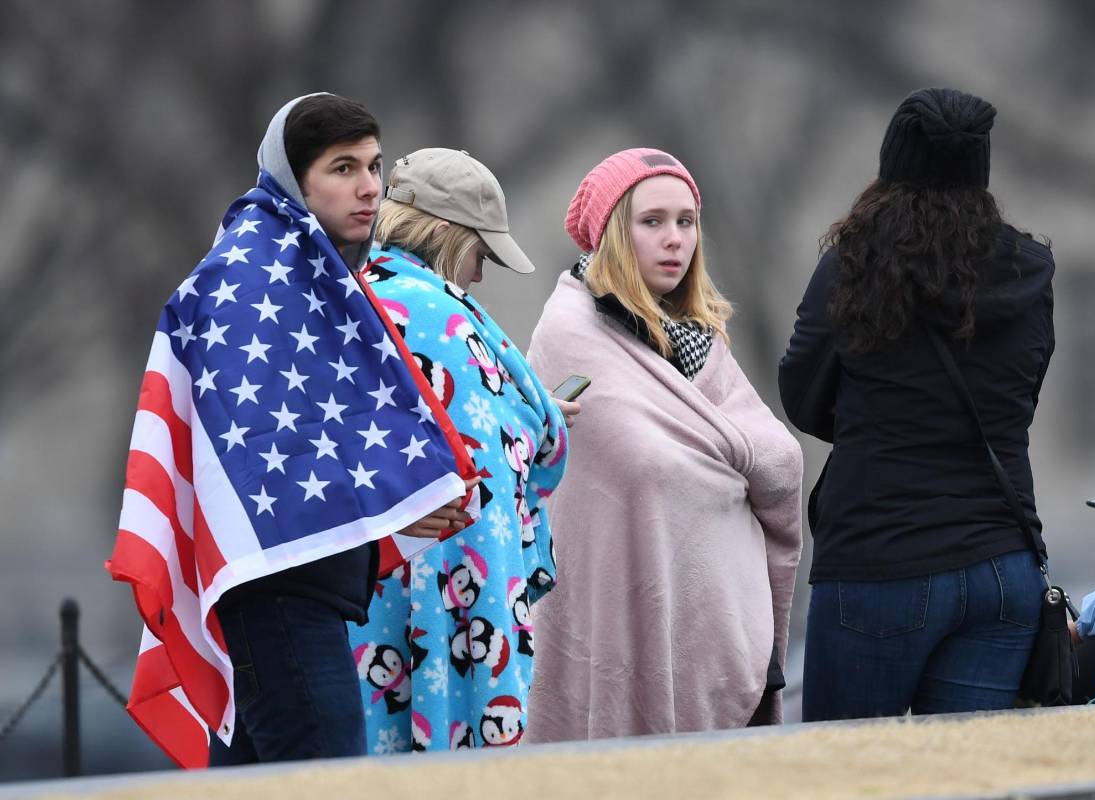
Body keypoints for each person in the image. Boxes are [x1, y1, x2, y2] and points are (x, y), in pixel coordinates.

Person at [109, 94, 480, 767]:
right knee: (321, 772)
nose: (368, 188)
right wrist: (391, 495)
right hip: (275, 588)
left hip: (296, 587)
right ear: (291, 178)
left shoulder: (310, 271)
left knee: (263, 776)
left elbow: (329, 430)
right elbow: (263, 455)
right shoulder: (250, 274)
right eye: (342, 168)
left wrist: (400, 506)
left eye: (373, 166)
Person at [779, 88, 1056, 721]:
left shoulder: (852, 267)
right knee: (971, 785)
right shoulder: (1032, 271)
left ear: (893, 163)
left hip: (879, 565)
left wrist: (873, 424)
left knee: (849, 778)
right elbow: (1020, 398)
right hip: (1003, 568)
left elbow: (802, 392)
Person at [524, 148, 804, 741]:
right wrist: (734, 467)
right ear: (612, 235)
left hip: (731, 631)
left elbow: (782, 460)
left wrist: (726, 460)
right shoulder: (571, 332)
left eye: (686, 221)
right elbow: (651, 468)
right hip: (630, 622)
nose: (675, 239)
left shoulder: (701, 336)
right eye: (651, 222)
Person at [346, 148, 570, 752]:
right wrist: (531, 419)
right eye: (480, 252)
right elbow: (485, 458)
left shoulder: (358, 299)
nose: (480, 274)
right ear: (446, 237)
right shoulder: (433, 313)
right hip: (447, 584)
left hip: (374, 590)